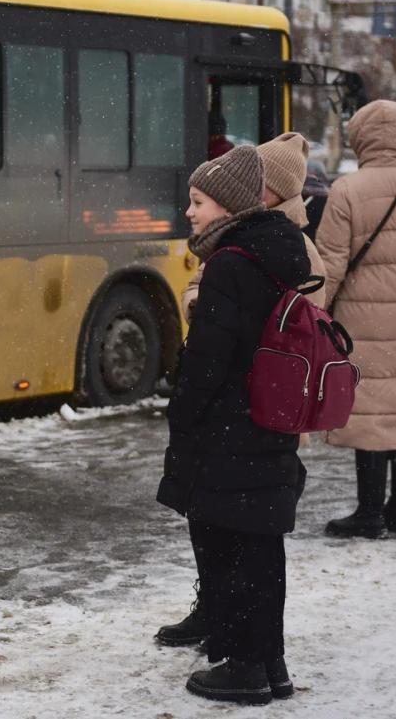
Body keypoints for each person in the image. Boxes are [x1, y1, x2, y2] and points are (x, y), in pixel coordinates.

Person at [156, 145, 311, 705]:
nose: (190, 212)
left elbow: (208, 362)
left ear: (226, 206)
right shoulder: (279, 252)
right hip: (269, 418)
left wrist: (181, 413)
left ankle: (245, 668)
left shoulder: (230, 265)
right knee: (262, 546)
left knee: (235, 545)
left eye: (198, 201)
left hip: (231, 425)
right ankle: (269, 662)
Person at [316, 100, 396, 538]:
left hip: (364, 321)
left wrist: (317, 313)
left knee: (371, 412)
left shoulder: (346, 190)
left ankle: (369, 512)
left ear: (362, 137)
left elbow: (330, 264)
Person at [180, 131, 327, 324]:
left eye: (258, 180)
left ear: (278, 192)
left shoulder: (298, 249)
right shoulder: (241, 234)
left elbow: (301, 323)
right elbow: (196, 286)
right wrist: (202, 306)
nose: (248, 185)